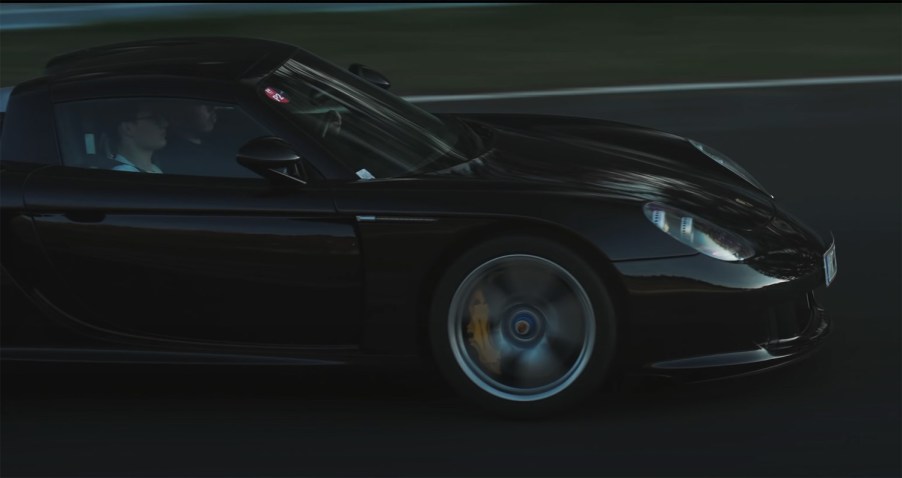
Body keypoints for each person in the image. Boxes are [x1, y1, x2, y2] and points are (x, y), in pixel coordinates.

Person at [100, 101, 168, 173]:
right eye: (154, 118)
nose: (165, 124)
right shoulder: (122, 171)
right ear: (128, 128)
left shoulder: (155, 169)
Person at [154, 102, 219, 174]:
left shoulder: (216, 146)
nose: (214, 117)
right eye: (208, 109)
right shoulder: (172, 156)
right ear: (178, 115)